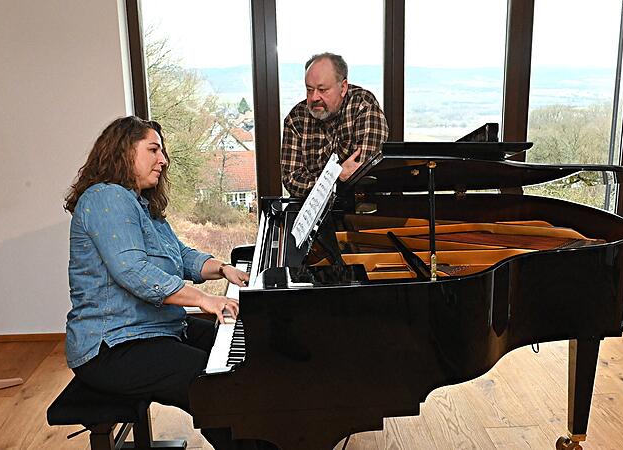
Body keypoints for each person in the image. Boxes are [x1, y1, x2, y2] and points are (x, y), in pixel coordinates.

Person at [63, 116, 265, 449]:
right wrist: (203, 300)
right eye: (153, 150)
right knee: (212, 384)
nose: (163, 160)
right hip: (112, 347)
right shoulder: (105, 198)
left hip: (154, 329)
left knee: (238, 355)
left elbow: (179, 255)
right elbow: (134, 271)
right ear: (123, 151)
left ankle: (267, 438)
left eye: (163, 151)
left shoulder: (139, 202)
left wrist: (224, 269)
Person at [281, 52, 389, 197]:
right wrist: (335, 176)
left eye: (322, 90)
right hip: (313, 213)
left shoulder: (363, 105)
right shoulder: (296, 118)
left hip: (363, 209)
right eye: (309, 89)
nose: (314, 97)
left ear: (343, 87)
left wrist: (319, 182)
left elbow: (363, 173)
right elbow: (292, 180)